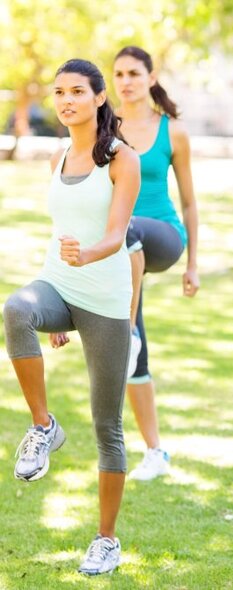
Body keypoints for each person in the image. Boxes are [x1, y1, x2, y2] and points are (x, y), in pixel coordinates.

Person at [4, 58, 140, 575]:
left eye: (77, 91)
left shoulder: (120, 159)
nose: (66, 101)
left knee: (108, 426)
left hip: (104, 300)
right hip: (58, 285)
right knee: (16, 308)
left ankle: (106, 540)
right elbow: (61, 229)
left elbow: (116, 233)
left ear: (99, 97)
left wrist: (89, 255)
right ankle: (44, 426)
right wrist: (55, 311)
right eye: (59, 92)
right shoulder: (60, 154)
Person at [112, 45, 200, 480]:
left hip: (163, 236)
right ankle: (155, 452)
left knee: (131, 232)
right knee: (135, 355)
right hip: (122, 249)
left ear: (150, 77)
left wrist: (193, 265)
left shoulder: (172, 132)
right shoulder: (103, 128)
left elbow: (188, 202)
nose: (125, 81)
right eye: (119, 74)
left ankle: (125, 333)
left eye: (133, 72)